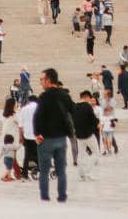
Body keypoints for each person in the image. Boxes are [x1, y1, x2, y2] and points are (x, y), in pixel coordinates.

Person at [32, 68, 73, 203]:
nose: (40, 82)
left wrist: (37, 133)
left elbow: (37, 117)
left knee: (44, 171)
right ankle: (62, 196)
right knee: (61, 171)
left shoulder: (44, 97)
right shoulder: (64, 95)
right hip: (61, 139)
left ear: (49, 80)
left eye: (41, 79)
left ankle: (45, 197)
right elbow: (72, 111)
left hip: (46, 139)